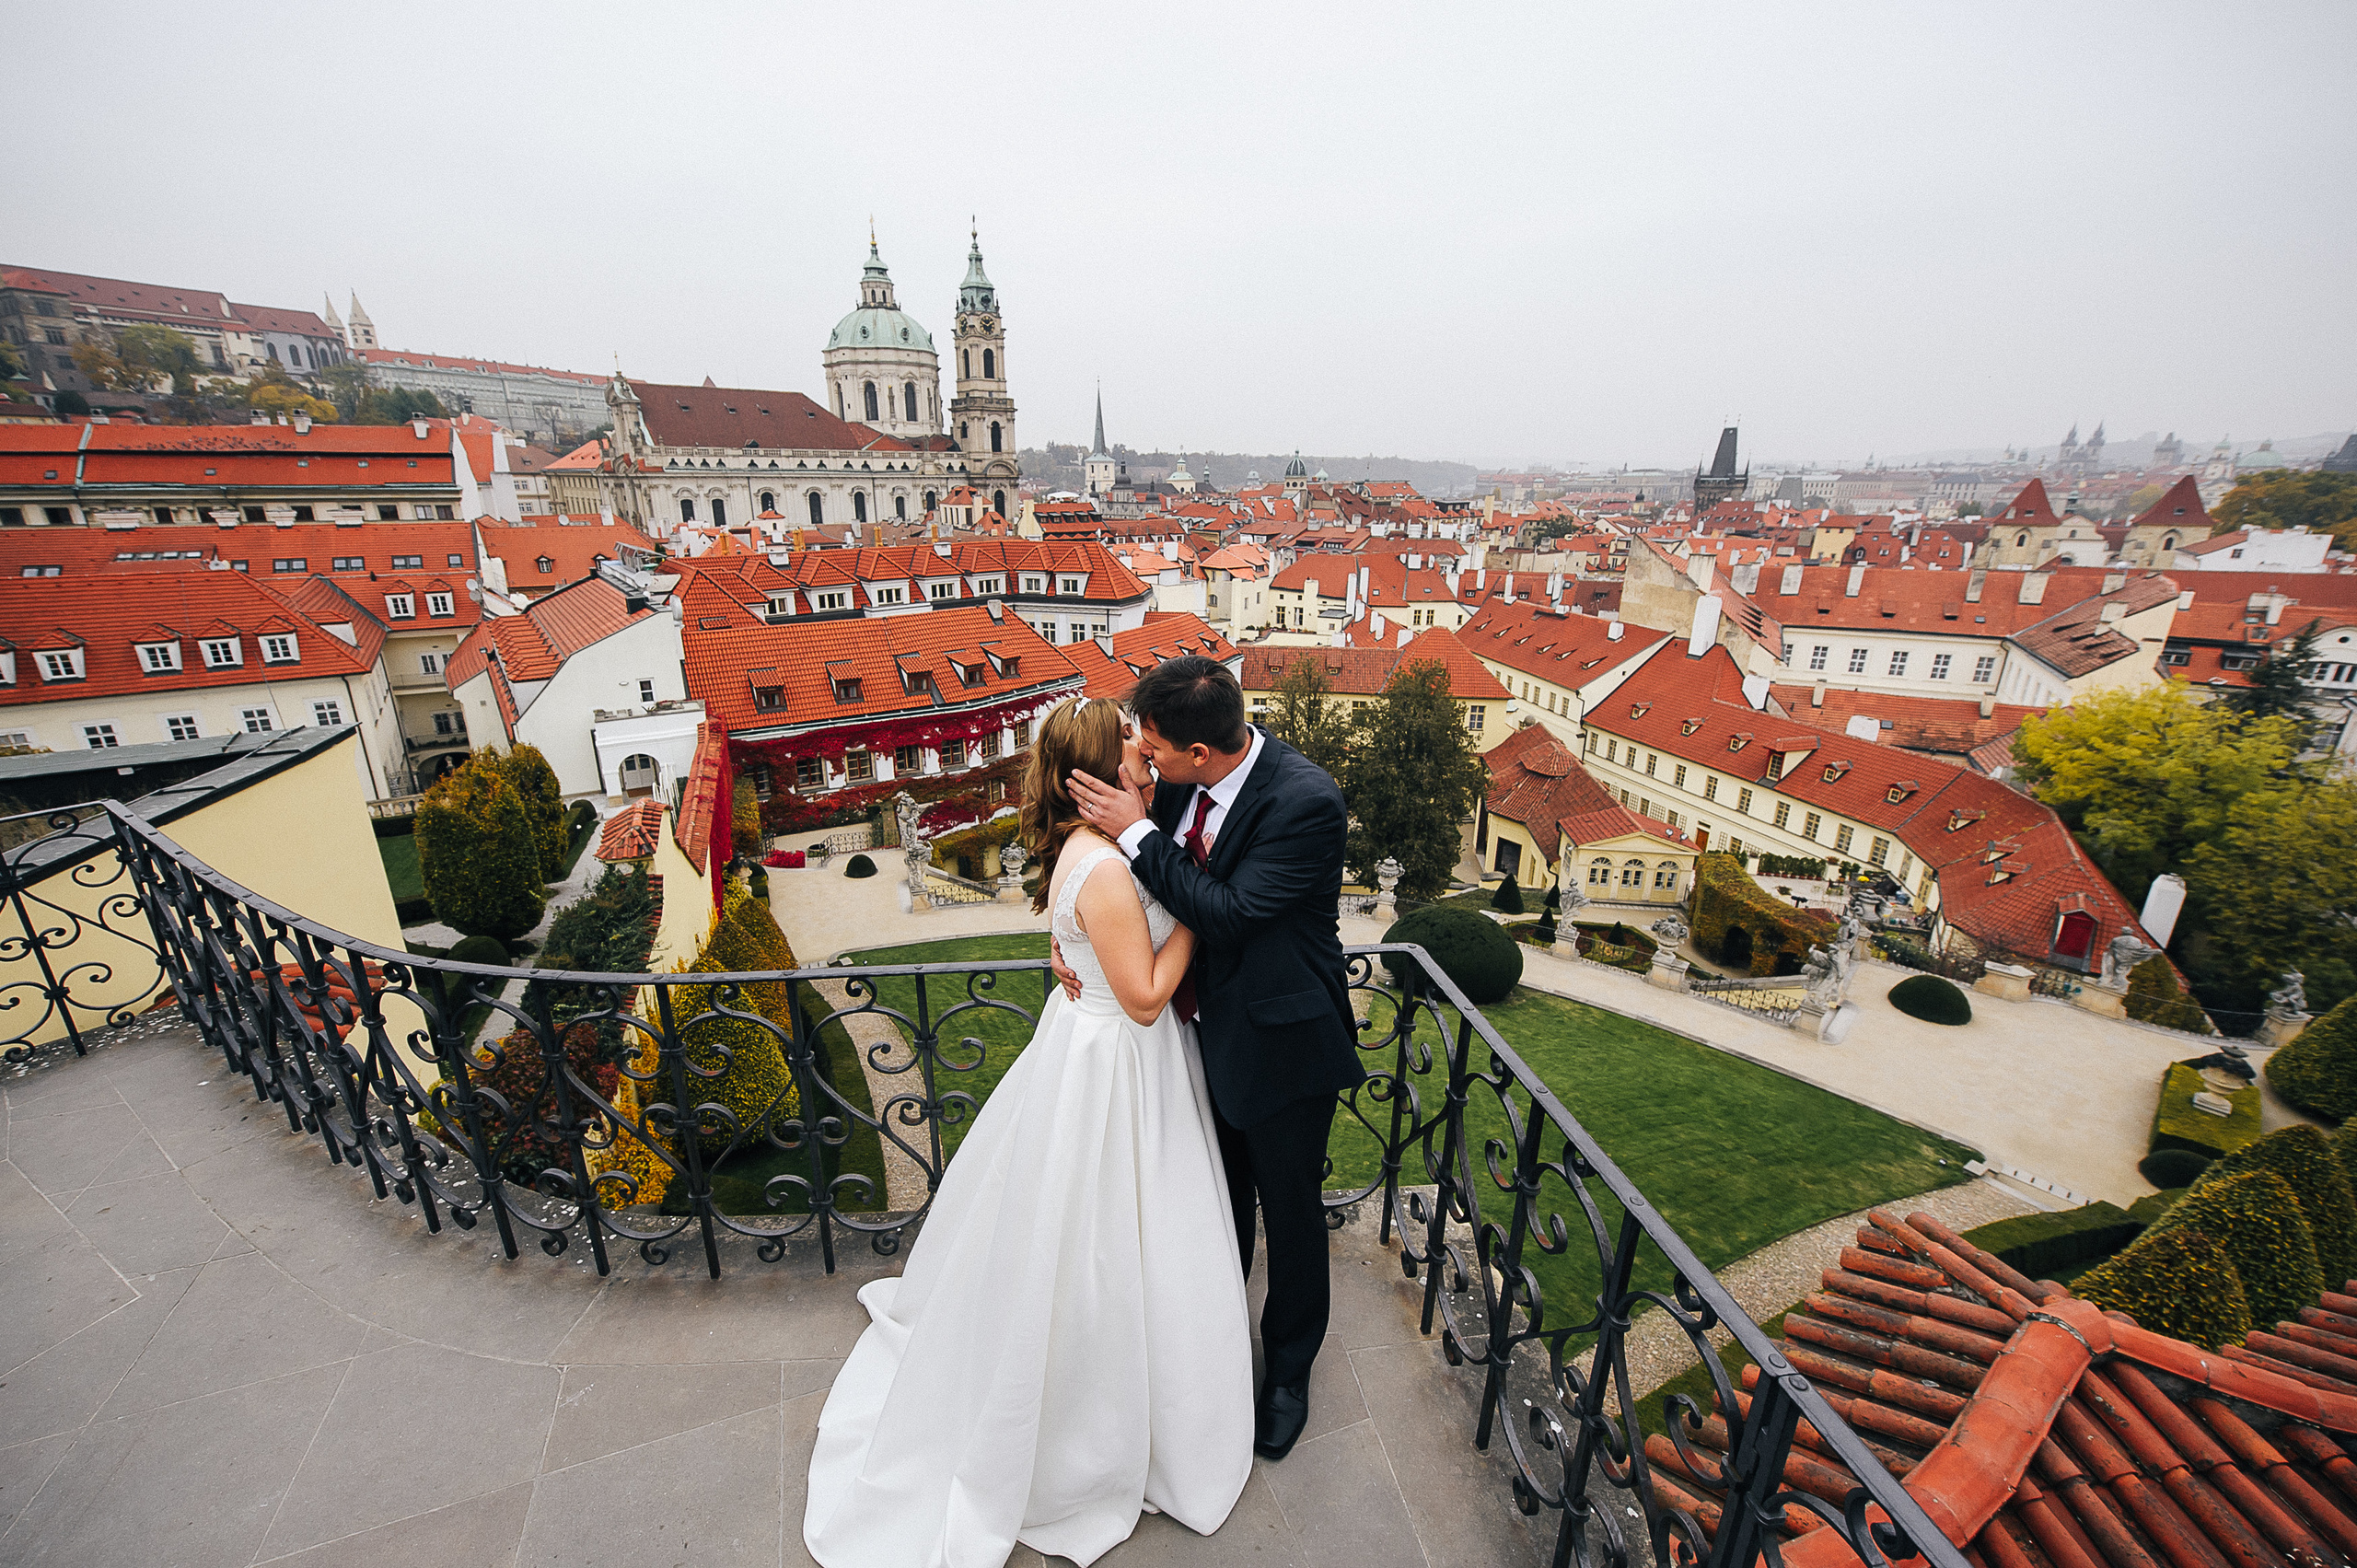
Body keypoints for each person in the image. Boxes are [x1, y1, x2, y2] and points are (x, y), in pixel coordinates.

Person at [803, 696, 1252, 1568]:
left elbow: (1087, 936)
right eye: (1133, 743)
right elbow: (1147, 996)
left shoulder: (1103, 848)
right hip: (1119, 1061)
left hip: (1096, 1050)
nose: (1146, 750)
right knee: (1107, 1237)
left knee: (1093, 1231)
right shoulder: (1110, 869)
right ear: (1100, 773)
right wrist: (1199, 912)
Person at [1064, 655, 1366, 1464]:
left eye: (1156, 749)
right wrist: (1071, 945)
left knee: (1291, 1215)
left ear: (1201, 753)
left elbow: (1228, 912)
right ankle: (1214, 1353)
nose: (1145, 759)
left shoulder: (1304, 801)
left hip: (1280, 1043)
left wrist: (1136, 830)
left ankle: (1287, 1375)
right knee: (1213, 1201)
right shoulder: (1171, 777)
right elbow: (1094, 874)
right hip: (1187, 1039)